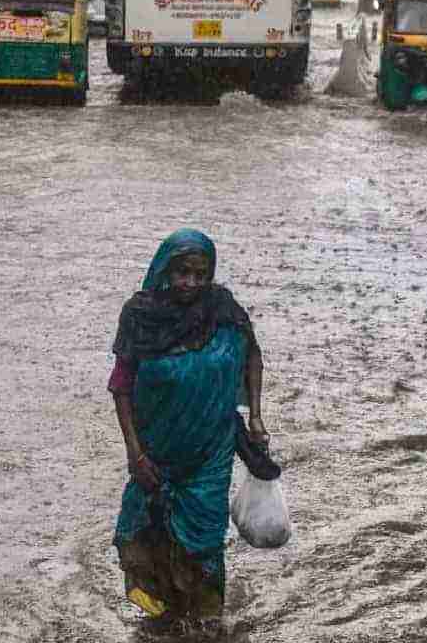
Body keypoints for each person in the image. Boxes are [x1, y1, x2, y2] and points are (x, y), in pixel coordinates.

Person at [109, 229, 268, 626]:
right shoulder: (141, 316)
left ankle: (208, 621)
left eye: (200, 274)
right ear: (165, 270)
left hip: (211, 452)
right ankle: (163, 617)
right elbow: (121, 387)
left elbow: (252, 357)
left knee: (205, 540)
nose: (191, 283)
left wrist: (256, 417)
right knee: (147, 531)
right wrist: (135, 453)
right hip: (156, 453)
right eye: (182, 273)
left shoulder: (223, 309)